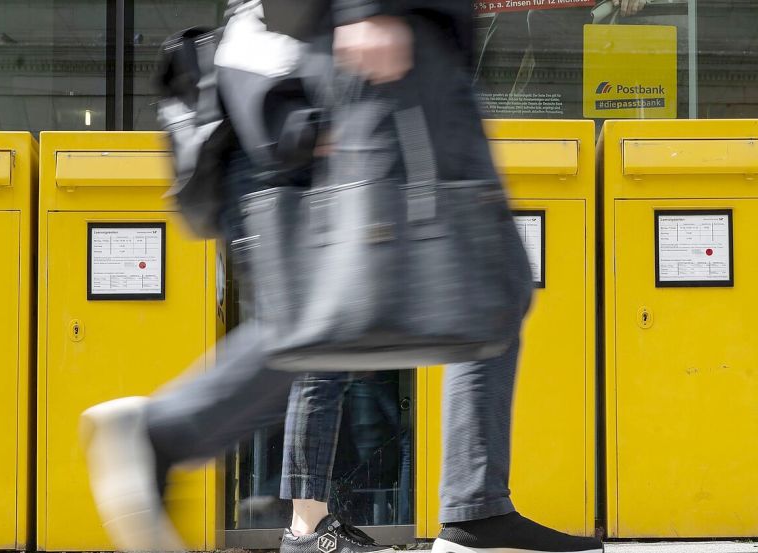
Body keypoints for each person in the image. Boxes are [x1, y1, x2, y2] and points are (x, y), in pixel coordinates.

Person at [79, 2, 604, 553]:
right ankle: (171, 433)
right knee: (445, 286)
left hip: (396, 53)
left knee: (375, 300)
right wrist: (366, 9)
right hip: (381, 52)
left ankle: (475, 508)